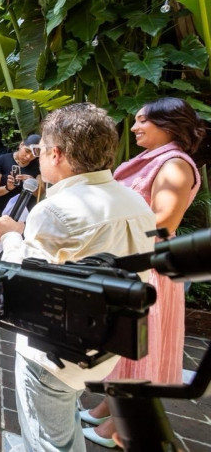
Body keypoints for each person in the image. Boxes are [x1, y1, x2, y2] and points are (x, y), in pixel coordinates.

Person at [0, 103, 155, 452]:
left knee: (51, 441)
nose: (37, 160)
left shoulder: (55, 209)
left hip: (54, 354)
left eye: (41, 152)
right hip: (109, 343)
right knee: (62, 424)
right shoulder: (136, 202)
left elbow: (22, 285)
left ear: (57, 153)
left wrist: (8, 237)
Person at [82, 97, 205, 448]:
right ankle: (107, 407)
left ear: (167, 125)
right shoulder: (155, 160)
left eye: (141, 122)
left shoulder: (175, 165)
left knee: (134, 343)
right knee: (121, 340)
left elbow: (164, 221)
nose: (134, 128)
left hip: (146, 265)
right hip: (132, 257)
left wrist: (109, 233)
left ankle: (118, 429)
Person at [0, 134, 41, 252]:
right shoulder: (2, 160)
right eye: (27, 151)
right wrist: (7, 188)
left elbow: (39, 195)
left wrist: (32, 183)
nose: (28, 156)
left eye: (33, 155)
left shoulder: (38, 166)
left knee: (18, 248)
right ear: (21, 145)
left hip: (23, 216)